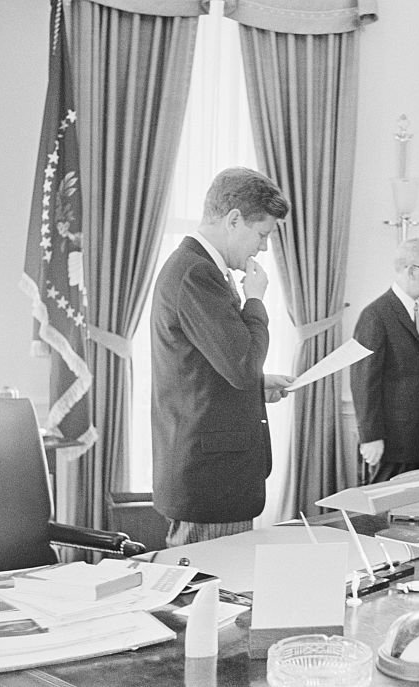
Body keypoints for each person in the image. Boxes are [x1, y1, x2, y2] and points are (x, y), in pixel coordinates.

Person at [150, 167, 293, 547]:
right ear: (233, 220)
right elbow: (243, 366)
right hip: (210, 481)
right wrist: (256, 300)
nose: (263, 248)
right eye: (262, 234)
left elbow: (207, 366)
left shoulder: (199, 268)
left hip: (210, 474)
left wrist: (260, 384)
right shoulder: (196, 272)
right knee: (214, 583)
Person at [351, 237, 419, 483]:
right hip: (392, 443)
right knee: (385, 503)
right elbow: (364, 382)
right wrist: (370, 437)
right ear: (411, 271)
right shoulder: (375, 315)